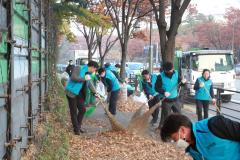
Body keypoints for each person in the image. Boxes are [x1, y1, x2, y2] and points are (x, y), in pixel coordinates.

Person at [160, 113, 240, 160]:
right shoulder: (191, 150)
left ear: (182, 130)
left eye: (174, 139)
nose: (176, 143)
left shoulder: (214, 125)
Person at [65, 61, 99, 135]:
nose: (94, 71)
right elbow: (73, 77)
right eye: (95, 69)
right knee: (73, 111)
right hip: (72, 92)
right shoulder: (79, 68)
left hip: (80, 93)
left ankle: (78, 126)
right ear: (92, 67)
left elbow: (89, 83)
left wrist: (95, 93)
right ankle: (76, 129)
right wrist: (84, 79)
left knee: (82, 109)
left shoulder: (88, 73)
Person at [155, 62, 186, 128]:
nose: (170, 72)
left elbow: (180, 83)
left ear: (172, 68)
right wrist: (164, 92)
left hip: (175, 99)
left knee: (179, 114)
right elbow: (157, 88)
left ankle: (178, 128)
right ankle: (168, 129)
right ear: (165, 70)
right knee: (167, 117)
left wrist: (183, 82)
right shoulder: (160, 76)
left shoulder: (176, 73)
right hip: (166, 101)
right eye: (168, 71)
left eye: (171, 70)